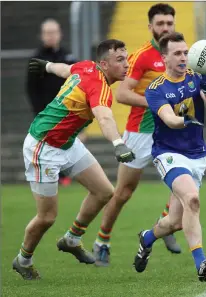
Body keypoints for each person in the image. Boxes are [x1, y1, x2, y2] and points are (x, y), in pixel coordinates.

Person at [12, 39, 135, 280]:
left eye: (126, 58)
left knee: (104, 192)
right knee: (47, 217)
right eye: (119, 60)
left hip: (67, 142)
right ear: (104, 64)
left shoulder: (85, 66)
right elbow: (104, 117)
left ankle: (72, 238)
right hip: (43, 146)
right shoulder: (99, 85)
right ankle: (23, 259)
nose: (126, 65)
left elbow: (64, 69)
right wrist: (118, 143)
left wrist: (47, 66)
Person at [92, 3, 181, 267]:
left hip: (169, 132)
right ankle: (102, 240)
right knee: (123, 192)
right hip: (139, 133)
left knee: (184, 183)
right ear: (151, 26)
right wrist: (156, 103)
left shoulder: (179, 54)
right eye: (160, 23)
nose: (165, 27)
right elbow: (121, 94)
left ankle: (163, 226)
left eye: (169, 23)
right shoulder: (142, 56)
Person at [133, 32, 206, 282]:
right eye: (177, 54)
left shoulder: (196, 75)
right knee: (192, 199)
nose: (183, 57)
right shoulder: (156, 89)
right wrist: (187, 119)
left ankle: (147, 238)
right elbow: (170, 120)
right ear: (164, 58)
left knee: (174, 222)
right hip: (169, 154)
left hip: (196, 155)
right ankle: (201, 262)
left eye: (186, 52)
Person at [26, 18, 78, 186]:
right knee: (48, 145)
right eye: (47, 33)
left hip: (67, 111)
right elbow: (31, 88)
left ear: (60, 34)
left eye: (54, 32)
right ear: (42, 36)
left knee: (66, 142)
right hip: (46, 112)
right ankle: (50, 175)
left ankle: (65, 174)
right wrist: (39, 112)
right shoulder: (36, 59)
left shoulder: (68, 56)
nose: (51, 36)